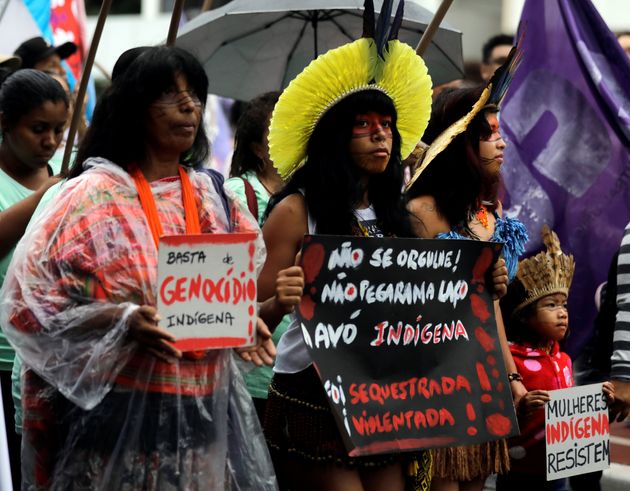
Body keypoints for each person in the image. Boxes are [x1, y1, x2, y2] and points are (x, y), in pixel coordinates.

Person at [0, 46, 277, 490]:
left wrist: (242, 321)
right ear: (134, 107)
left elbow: (222, 293)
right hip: (111, 429)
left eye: (195, 95)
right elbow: (28, 308)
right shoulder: (89, 198)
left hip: (200, 423)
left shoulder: (214, 199)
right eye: (170, 94)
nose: (189, 106)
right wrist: (120, 320)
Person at [258, 1, 434, 489]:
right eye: (363, 124)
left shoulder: (399, 216)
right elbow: (249, 318)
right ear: (336, 137)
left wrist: (482, 285)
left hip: (385, 395)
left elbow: (427, 309)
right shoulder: (297, 211)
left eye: (386, 124)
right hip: (313, 395)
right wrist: (282, 298)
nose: (380, 134)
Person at [406, 46, 528, 490]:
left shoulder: (489, 216)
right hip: (434, 381)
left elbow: (488, 307)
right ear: (459, 144)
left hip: (484, 377)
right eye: (488, 133)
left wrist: (510, 373)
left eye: (500, 131)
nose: (501, 143)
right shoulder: (420, 212)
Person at [498, 225, 614, 491]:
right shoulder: (511, 359)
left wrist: (599, 399)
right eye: (551, 306)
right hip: (520, 472)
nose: (562, 313)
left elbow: (569, 412)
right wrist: (520, 406)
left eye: (563, 305)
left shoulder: (562, 359)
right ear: (524, 316)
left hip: (557, 472)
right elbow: (495, 414)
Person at [0, 68, 68, 489]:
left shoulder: (65, 172)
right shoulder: (54, 183)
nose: (50, 141)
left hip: (50, 364)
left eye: (59, 129)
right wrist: (45, 197)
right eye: (38, 129)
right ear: (5, 122)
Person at [224, 91, 287, 421]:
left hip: (294, 367)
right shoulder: (236, 195)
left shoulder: (311, 195)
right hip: (253, 367)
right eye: (280, 131)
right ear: (257, 148)